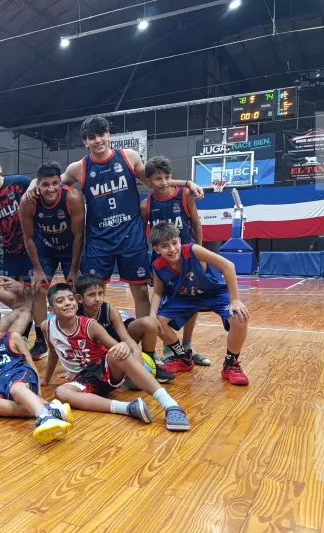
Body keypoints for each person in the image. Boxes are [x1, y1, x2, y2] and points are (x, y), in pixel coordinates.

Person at [25, 115, 203, 319]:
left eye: (101, 134)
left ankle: (144, 339)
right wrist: (32, 184)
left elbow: (155, 181)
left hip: (131, 238)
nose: (97, 140)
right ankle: (92, 336)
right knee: (90, 293)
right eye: (92, 137)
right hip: (99, 241)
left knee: (141, 292)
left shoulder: (129, 156)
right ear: (85, 142)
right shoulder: (79, 168)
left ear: (109, 135)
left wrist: (187, 183)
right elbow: (51, 182)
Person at [42, 282, 192, 431]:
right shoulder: (46, 326)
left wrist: (124, 346)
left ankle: (170, 405)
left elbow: (115, 346)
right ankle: (129, 408)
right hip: (82, 380)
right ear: (51, 309)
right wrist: (46, 379)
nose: (67, 303)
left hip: (103, 370)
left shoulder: (90, 325)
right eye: (60, 301)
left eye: (70, 299)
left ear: (76, 302)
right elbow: (53, 352)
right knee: (61, 392)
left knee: (117, 353)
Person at [149, 222, 250, 386]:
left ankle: (231, 364)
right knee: (157, 322)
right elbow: (158, 292)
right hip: (185, 297)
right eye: (165, 246)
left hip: (214, 293)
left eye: (174, 243)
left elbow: (228, 266)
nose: (172, 249)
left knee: (240, 316)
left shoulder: (193, 250)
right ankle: (183, 358)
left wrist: (235, 300)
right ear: (156, 249)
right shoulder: (157, 266)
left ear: (180, 241)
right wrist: (152, 315)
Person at [0, 300, 71, 444]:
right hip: (0, 384)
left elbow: (30, 364)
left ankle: (45, 418)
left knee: (16, 389)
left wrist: (39, 394)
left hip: (19, 375)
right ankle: (47, 410)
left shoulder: (12, 337)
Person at [141, 155, 210, 366]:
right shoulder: (146, 205)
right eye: (158, 178)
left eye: (167, 177)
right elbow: (144, 235)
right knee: (165, 305)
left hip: (188, 258)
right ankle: (171, 350)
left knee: (192, 300)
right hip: (162, 261)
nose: (163, 182)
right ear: (149, 181)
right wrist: (147, 262)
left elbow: (196, 224)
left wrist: (200, 254)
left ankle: (188, 346)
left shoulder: (185, 194)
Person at [0, 154, 46, 356]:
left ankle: (41, 340)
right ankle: (24, 335)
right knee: (18, 295)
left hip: (31, 249)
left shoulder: (19, 182)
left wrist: (33, 186)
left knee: (35, 293)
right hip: (10, 252)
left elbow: (35, 181)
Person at [20, 161, 85, 345]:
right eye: (45, 184)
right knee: (39, 288)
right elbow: (28, 238)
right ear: (38, 185)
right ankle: (41, 340)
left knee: (77, 288)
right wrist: (37, 270)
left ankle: (80, 336)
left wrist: (74, 269)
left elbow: (79, 236)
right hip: (46, 249)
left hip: (70, 248)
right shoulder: (28, 201)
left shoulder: (73, 197)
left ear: (60, 182)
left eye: (55, 183)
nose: (51, 189)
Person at [73, 274, 174, 384]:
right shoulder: (75, 314)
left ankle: (151, 364)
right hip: (94, 352)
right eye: (91, 295)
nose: (97, 299)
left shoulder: (110, 311)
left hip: (117, 345)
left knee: (150, 322)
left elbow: (125, 338)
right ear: (79, 298)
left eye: (100, 293)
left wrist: (136, 351)